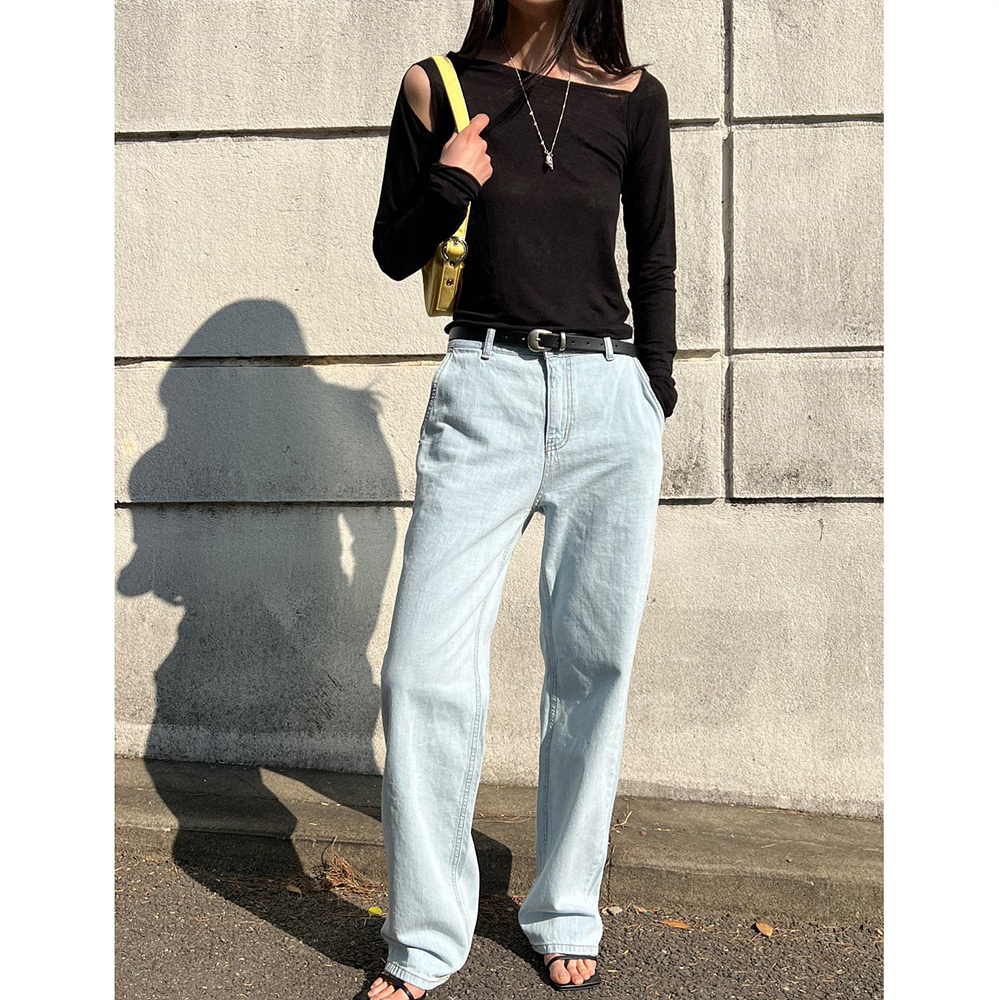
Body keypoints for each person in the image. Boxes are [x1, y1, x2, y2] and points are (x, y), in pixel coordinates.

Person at [359, 0, 676, 995]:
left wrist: (654, 389)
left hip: (607, 394)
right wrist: (451, 180)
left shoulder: (635, 97)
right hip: (485, 389)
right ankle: (424, 939)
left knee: (592, 665)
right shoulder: (437, 86)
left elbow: (653, 256)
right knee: (422, 670)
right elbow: (393, 249)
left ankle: (566, 906)